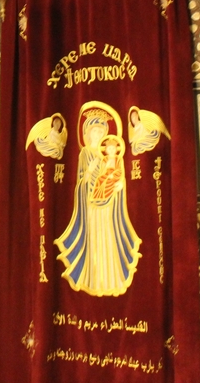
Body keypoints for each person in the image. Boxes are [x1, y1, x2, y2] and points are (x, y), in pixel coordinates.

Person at [56, 109, 141, 296]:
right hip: (91, 204)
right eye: (94, 131)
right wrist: (89, 173)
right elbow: (80, 182)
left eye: (101, 131)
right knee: (94, 239)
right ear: (87, 133)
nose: (98, 134)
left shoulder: (111, 157)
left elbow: (117, 177)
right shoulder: (84, 154)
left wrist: (119, 187)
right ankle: (93, 278)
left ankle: (112, 278)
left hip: (109, 203)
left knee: (109, 236)